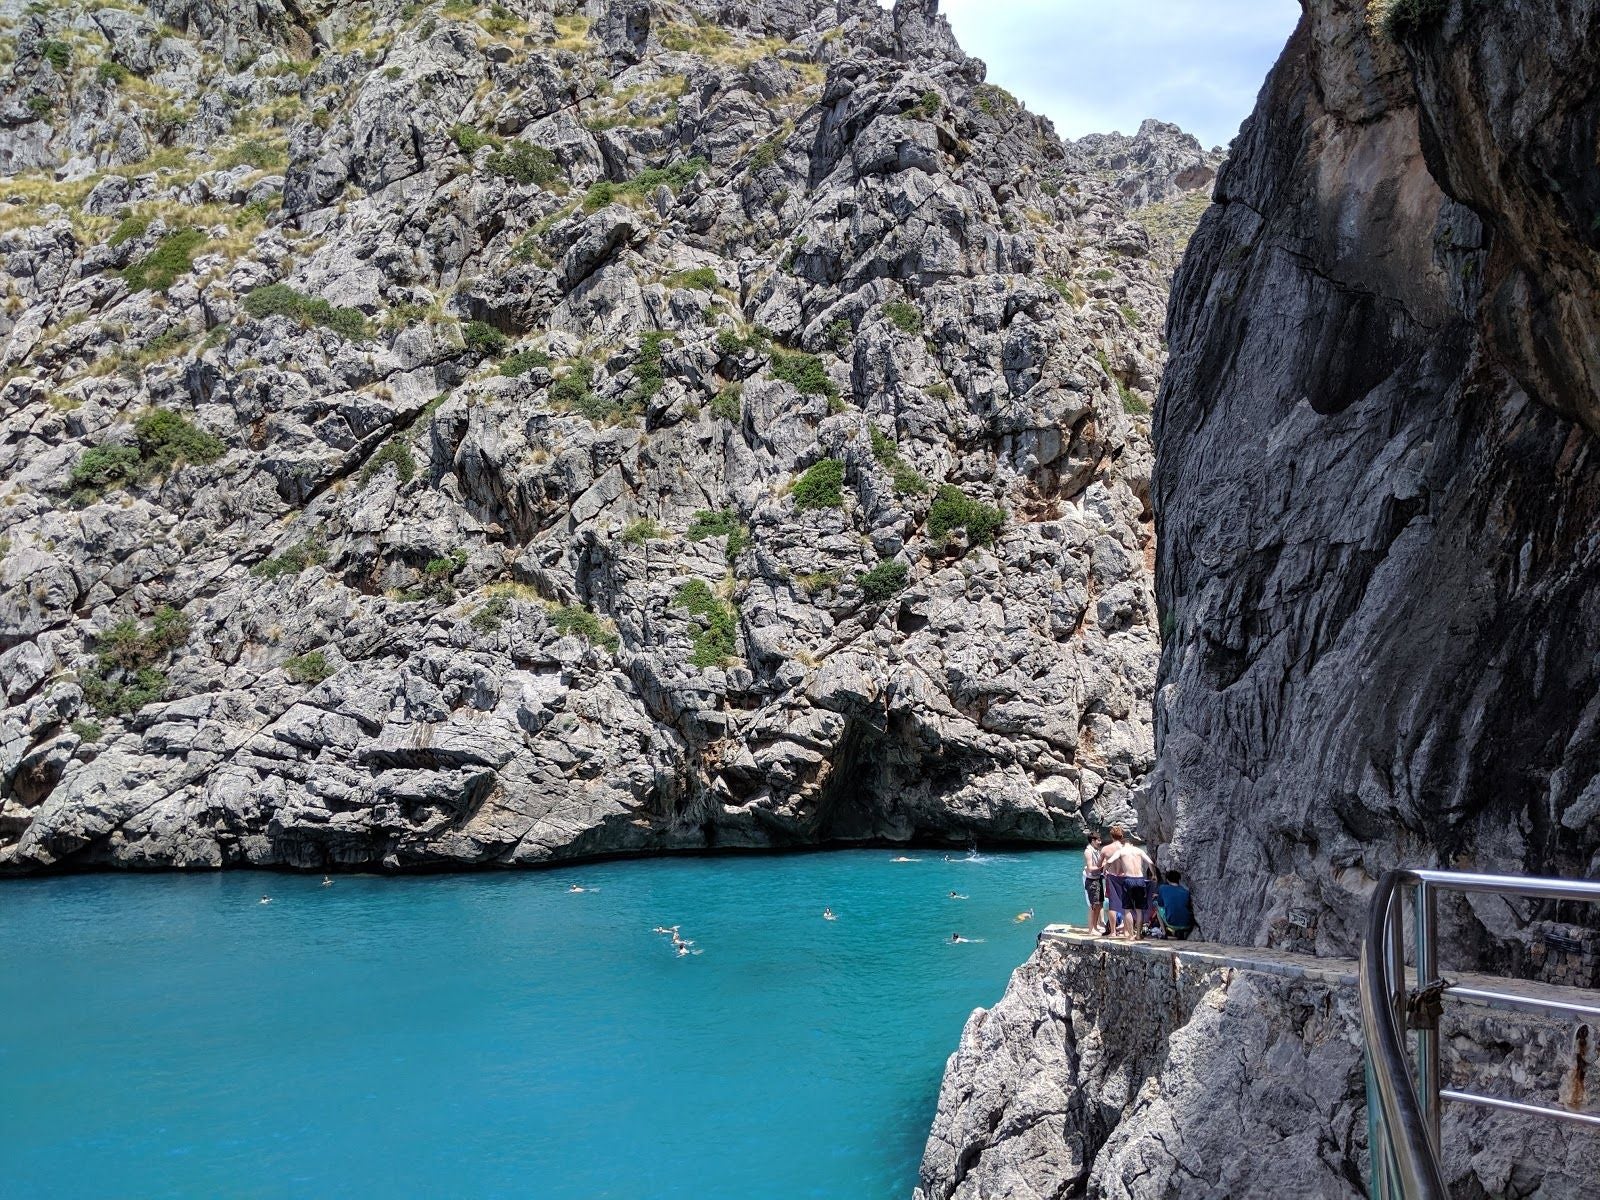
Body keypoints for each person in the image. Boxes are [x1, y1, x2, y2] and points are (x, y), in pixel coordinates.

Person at [1100, 825, 1128, 936]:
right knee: (1126, 904)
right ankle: (1126, 930)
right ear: (1122, 836)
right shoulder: (1125, 849)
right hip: (1124, 877)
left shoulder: (1105, 849)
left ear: (1111, 836)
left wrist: (1104, 872)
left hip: (1111, 878)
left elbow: (1100, 865)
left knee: (1112, 904)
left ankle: (1113, 931)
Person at [1157, 870, 1195, 941]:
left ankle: (1164, 933)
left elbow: (1160, 904)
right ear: (1179, 879)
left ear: (1167, 879)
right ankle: (1180, 933)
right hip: (1187, 924)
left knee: (1157, 908)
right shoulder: (1186, 891)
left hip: (1172, 923)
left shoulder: (1163, 888)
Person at [1082, 831, 1106, 935]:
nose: (1100, 842)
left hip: (1098, 878)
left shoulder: (1097, 850)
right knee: (1093, 905)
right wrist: (1102, 866)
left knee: (1099, 904)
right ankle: (1091, 929)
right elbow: (1090, 868)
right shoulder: (1088, 851)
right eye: (1098, 840)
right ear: (1092, 841)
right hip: (1092, 881)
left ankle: (1096, 927)